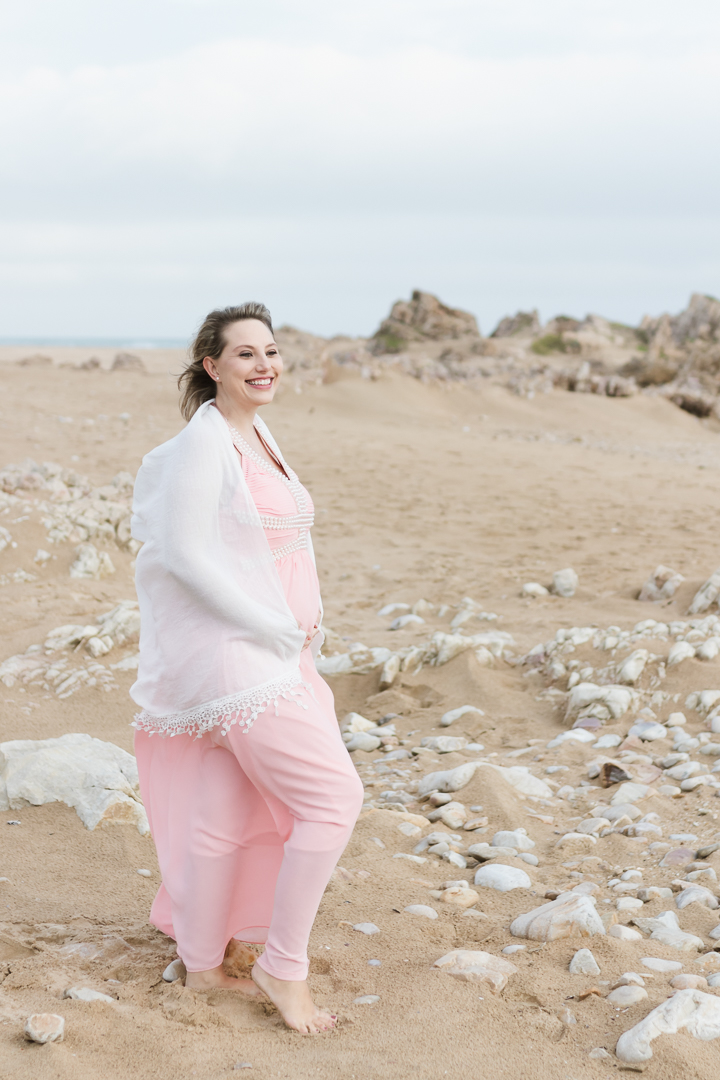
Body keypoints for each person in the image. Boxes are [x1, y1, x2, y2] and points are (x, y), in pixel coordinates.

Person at [130, 302, 364, 1034]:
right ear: (212, 367)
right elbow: (183, 554)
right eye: (244, 355)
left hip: (273, 653)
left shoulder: (254, 431)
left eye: (271, 351)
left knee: (222, 813)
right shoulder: (205, 443)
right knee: (333, 801)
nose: (264, 365)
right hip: (244, 661)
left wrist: (304, 624)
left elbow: (276, 543)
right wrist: (272, 624)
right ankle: (282, 968)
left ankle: (202, 965)